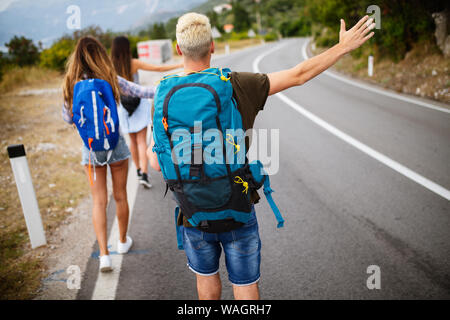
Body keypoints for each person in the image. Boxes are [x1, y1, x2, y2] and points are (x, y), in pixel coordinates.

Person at [147, 13, 376, 299]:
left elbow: (156, 163)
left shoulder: (163, 95)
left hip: (193, 214)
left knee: (206, 281)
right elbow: (299, 75)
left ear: (179, 49)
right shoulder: (237, 84)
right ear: (213, 46)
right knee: (244, 285)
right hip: (237, 208)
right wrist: (342, 47)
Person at [62, 36, 156, 272]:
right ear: (100, 55)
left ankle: (104, 255)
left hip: (91, 149)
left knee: (99, 201)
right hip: (116, 145)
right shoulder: (110, 78)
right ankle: (123, 242)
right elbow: (142, 92)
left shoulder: (70, 83)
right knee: (121, 196)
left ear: (77, 57)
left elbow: (67, 118)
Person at [111, 36, 182, 188]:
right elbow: (158, 69)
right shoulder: (134, 63)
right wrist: (181, 64)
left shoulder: (111, 67)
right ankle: (144, 172)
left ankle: (137, 170)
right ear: (127, 48)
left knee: (133, 141)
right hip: (139, 101)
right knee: (142, 141)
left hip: (123, 106)